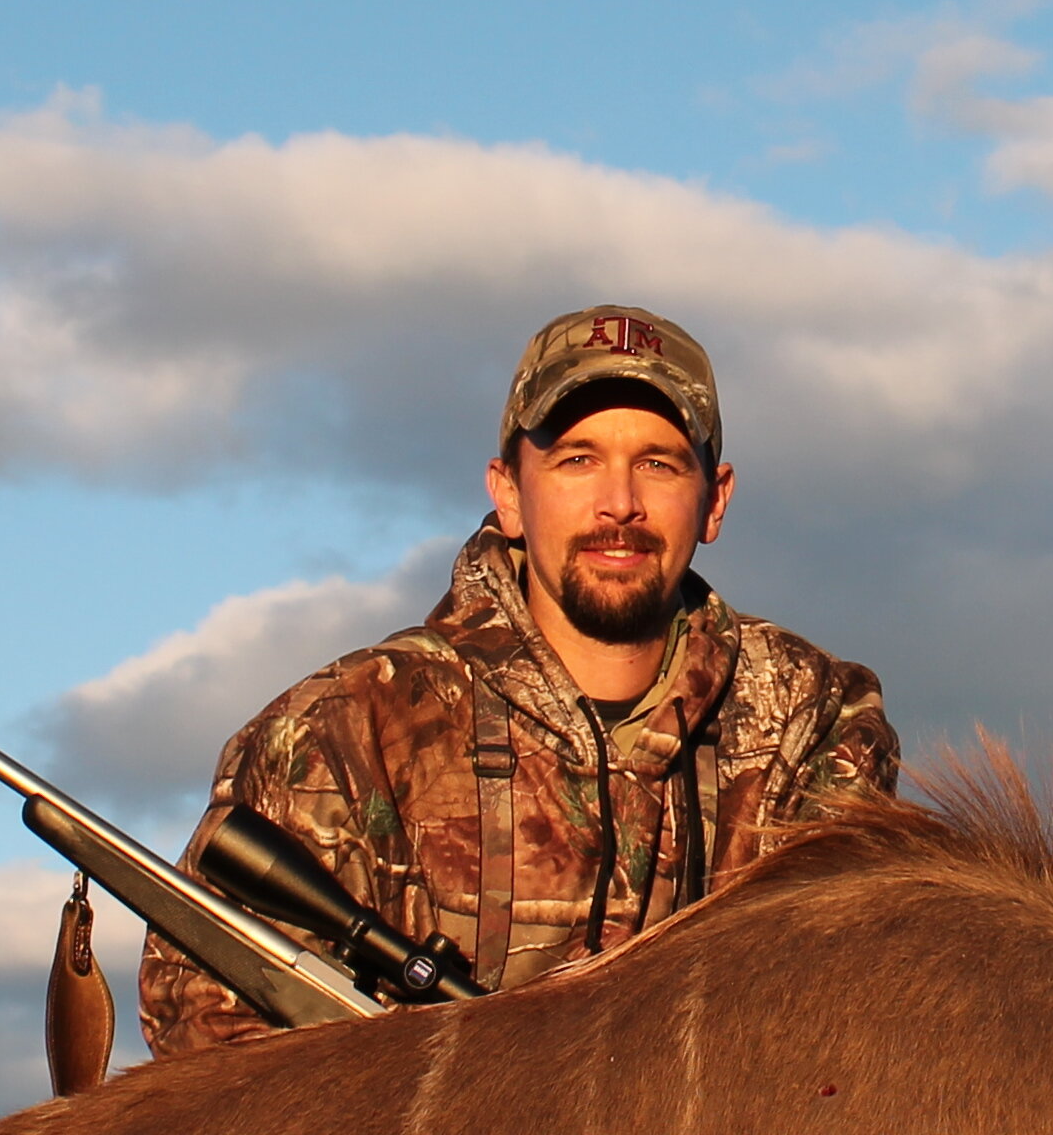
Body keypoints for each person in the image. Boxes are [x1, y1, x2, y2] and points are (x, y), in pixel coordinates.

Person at [141, 304, 898, 1054]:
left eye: (659, 464)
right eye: (577, 459)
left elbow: (843, 1024)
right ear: (507, 491)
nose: (620, 503)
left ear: (716, 499)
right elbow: (212, 1057)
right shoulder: (343, 732)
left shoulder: (811, 720)